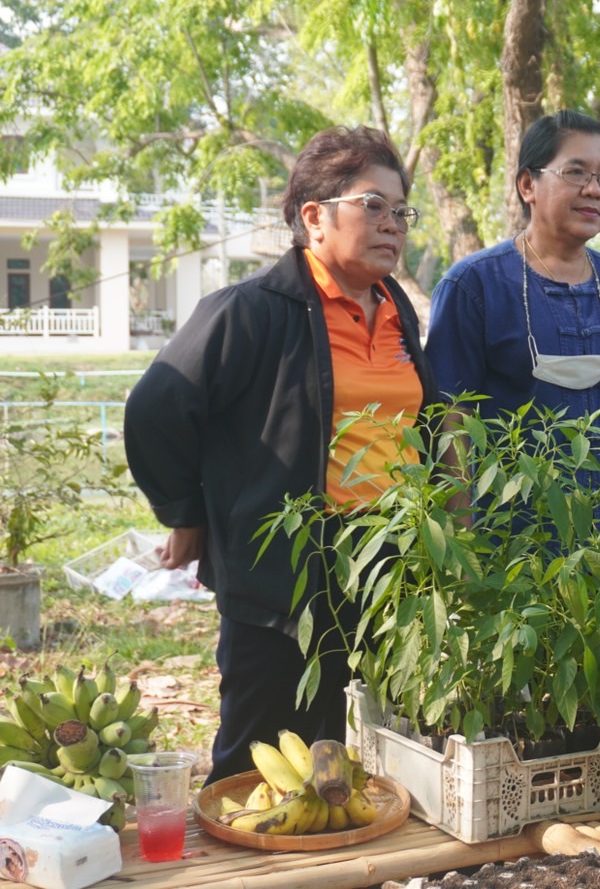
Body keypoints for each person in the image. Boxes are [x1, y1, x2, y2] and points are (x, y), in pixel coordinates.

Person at [124, 126, 436, 782]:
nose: (392, 224)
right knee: (263, 765)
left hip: (387, 571)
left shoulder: (394, 308)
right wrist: (187, 513)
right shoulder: (250, 311)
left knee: (361, 763)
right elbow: (156, 409)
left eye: (400, 210)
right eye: (372, 206)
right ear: (313, 217)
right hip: (284, 573)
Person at [425, 110, 600, 577]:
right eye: (576, 173)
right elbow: (453, 419)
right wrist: (462, 540)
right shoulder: (474, 286)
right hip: (513, 549)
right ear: (528, 184)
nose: (594, 190)